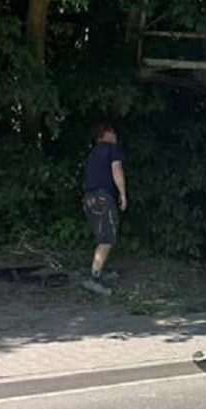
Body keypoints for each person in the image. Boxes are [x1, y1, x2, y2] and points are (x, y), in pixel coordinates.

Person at [80, 121, 127, 295]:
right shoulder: (111, 149)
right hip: (102, 198)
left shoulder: (92, 153)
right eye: (113, 132)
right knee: (107, 238)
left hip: (89, 199)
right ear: (105, 133)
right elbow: (117, 169)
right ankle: (94, 279)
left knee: (103, 236)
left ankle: (100, 270)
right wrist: (123, 193)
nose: (115, 135)